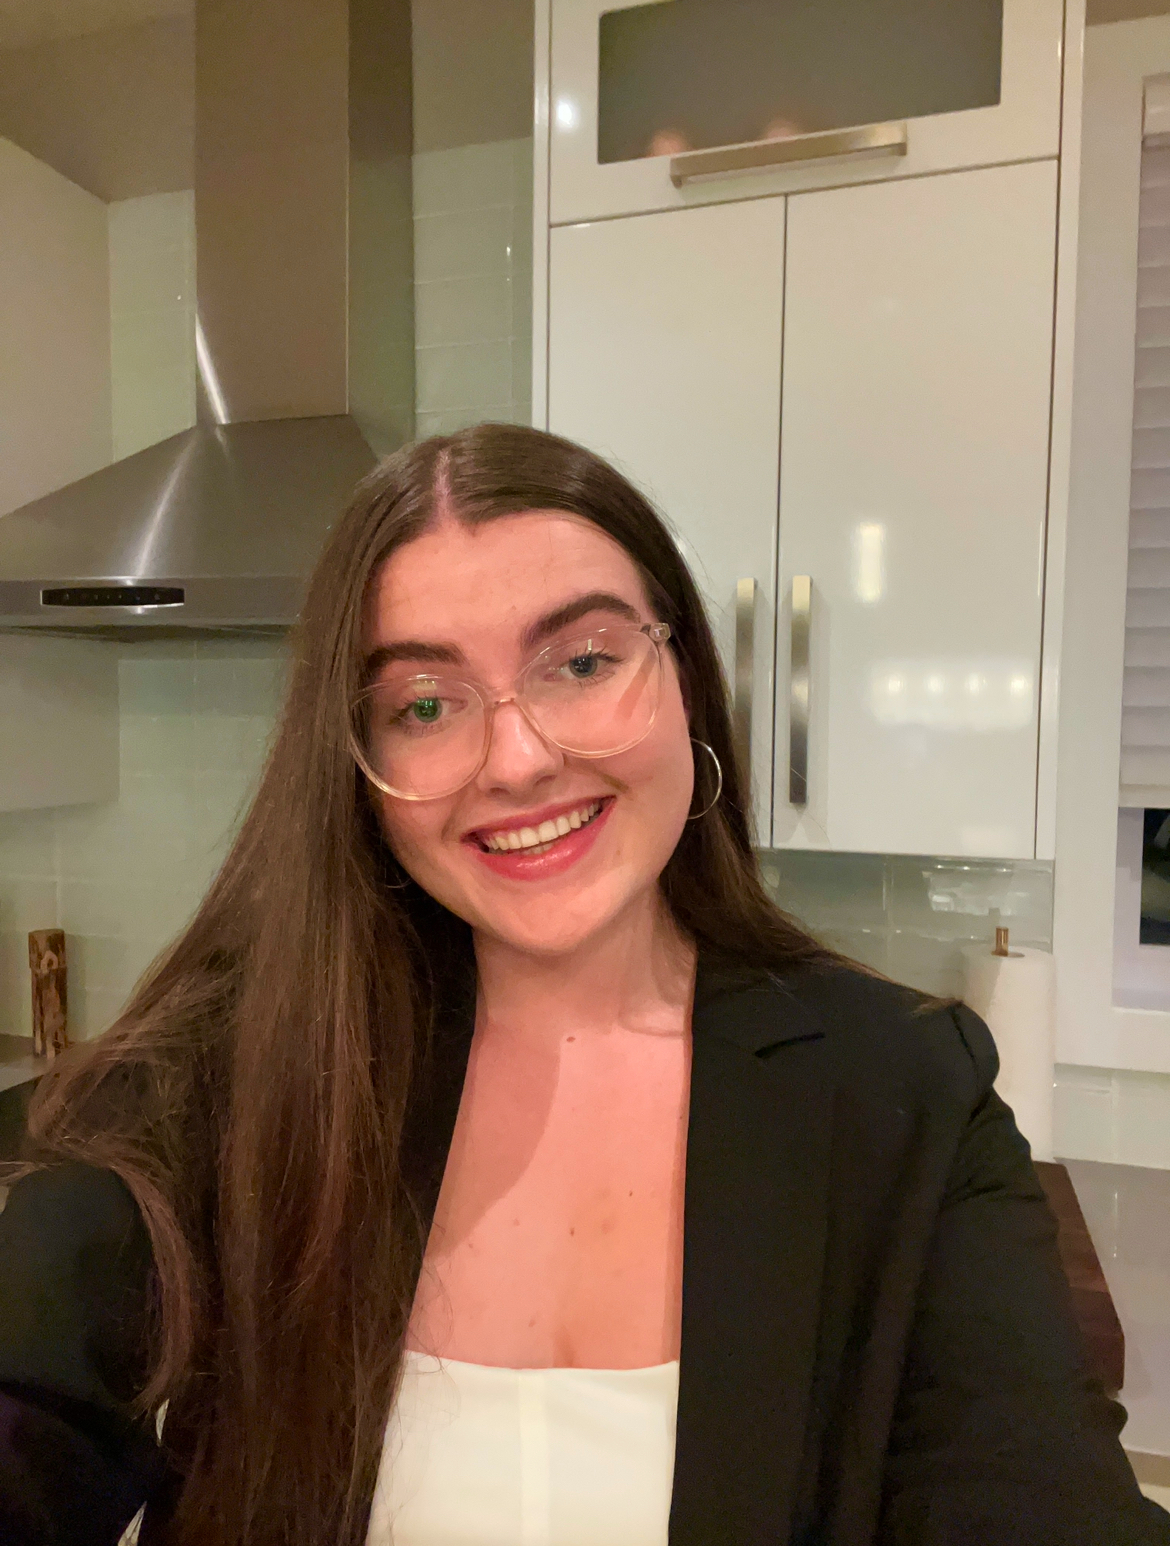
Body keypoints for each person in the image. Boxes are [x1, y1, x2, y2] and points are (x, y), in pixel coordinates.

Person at [0, 424, 1166, 1546]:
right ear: (360, 768)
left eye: (584, 662)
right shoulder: (229, 1071)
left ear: (684, 678)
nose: (517, 760)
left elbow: (1031, 1486)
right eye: (423, 704)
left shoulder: (901, 1089)